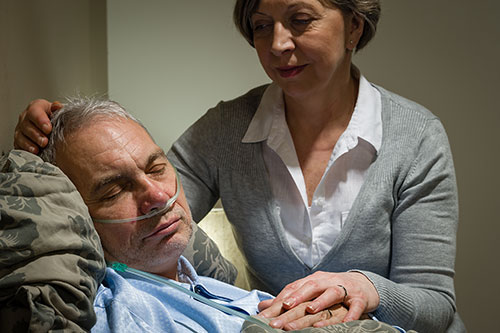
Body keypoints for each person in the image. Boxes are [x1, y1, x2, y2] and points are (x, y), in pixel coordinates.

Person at [13, 0, 464, 332]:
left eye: (300, 20)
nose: (277, 44)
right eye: (261, 26)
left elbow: (435, 305)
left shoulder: (416, 137)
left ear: (354, 28)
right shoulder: (224, 130)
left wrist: (365, 288)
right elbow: (145, 201)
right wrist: (48, 151)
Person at [23, 96, 410, 333]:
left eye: (157, 168)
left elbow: (435, 300)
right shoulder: (131, 312)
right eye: (114, 190)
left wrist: (359, 299)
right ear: (78, 217)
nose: (159, 196)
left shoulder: (220, 290)